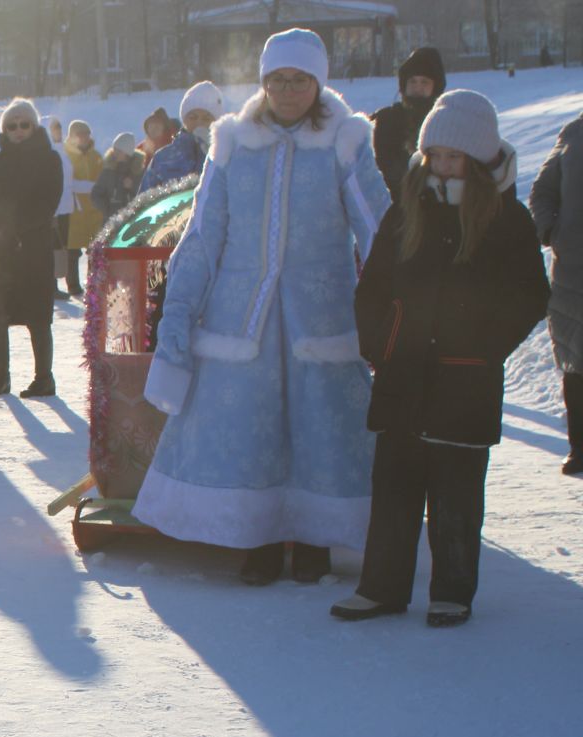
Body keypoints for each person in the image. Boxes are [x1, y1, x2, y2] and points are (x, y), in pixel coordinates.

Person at [133, 30, 391, 585]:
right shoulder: (232, 142)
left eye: (299, 79)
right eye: (277, 79)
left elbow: (379, 230)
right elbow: (203, 234)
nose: (288, 89)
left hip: (319, 315)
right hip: (239, 315)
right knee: (249, 431)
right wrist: (180, 311)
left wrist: (396, 304)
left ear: (318, 83)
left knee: (320, 428)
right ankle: (258, 538)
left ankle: (316, 539)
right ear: (264, 83)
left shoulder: (346, 142)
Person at [338, 90, 548, 626]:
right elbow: (373, 285)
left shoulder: (507, 218)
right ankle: (382, 587)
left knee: (456, 494)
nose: (442, 164)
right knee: (394, 488)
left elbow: (530, 294)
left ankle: (452, 590)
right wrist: (380, 342)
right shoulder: (408, 211)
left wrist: (483, 345)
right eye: (434, 154)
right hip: (403, 371)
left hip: (465, 381)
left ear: (478, 159)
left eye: (454, 155)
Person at [0, 98, 61, 399]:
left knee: (38, 316)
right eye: (12, 126)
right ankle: (1, 377)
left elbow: (47, 203)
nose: (18, 130)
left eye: (24, 124)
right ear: (5, 130)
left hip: (32, 250)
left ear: (34, 127)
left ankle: (44, 378)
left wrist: (14, 228)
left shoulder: (49, 160)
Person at [531, 107, 583, 474]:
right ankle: (579, 448)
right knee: (576, 362)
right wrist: (550, 232)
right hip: (574, 269)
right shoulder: (575, 134)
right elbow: (543, 191)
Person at [371, 48, 446, 199]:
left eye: (424, 82)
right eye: (412, 81)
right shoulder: (385, 120)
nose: (418, 88)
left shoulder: (444, 123)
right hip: (389, 204)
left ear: (435, 86)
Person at [141, 81, 224, 192]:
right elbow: (144, 203)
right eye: (193, 117)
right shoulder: (163, 158)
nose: (199, 123)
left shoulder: (225, 158)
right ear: (184, 120)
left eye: (206, 119)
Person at [63, 120, 101, 296]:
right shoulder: (65, 156)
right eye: (79, 134)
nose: (83, 137)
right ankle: (72, 285)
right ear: (72, 137)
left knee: (94, 249)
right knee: (72, 250)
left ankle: (92, 282)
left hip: (93, 210)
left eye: (86, 134)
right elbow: (65, 180)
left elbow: (102, 179)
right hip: (74, 209)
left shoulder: (96, 156)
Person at [44, 116, 76, 296]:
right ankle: (51, 286)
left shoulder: (65, 150)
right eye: (54, 128)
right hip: (53, 208)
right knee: (52, 247)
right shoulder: (48, 151)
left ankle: (57, 283)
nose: (57, 132)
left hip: (66, 206)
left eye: (59, 128)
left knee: (62, 247)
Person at [90, 131, 146, 222]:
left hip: (132, 220)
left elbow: (145, 194)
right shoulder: (108, 170)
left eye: (119, 150)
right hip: (110, 222)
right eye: (115, 149)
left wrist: (132, 187)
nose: (115, 153)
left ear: (127, 152)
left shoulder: (138, 172)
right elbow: (95, 194)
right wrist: (107, 211)